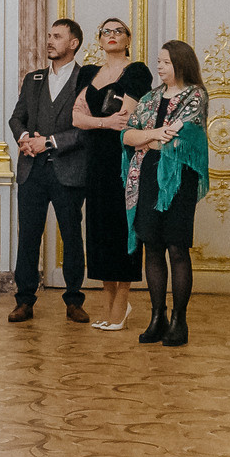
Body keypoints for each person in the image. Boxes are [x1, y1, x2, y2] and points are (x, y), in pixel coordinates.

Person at [121, 40, 209, 345]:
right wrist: (152, 136)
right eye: (158, 62)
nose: (159, 67)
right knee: (153, 246)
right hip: (147, 177)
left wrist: (149, 138)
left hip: (178, 180)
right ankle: (157, 316)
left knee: (176, 248)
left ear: (181, 64)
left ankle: (178, 321)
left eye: (166, 62)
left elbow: (178, 137)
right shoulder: (150, 97)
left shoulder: (196, 95)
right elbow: (127, 134)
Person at [7, 18, 94, 324]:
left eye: (57, 36)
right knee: (28, 237)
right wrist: (25, 139)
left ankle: (73, 300)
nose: (50, 41)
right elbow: (17, 118)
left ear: (73, 43)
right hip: (32, 170)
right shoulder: (32, 79)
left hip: (69, 171)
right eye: (49, 36)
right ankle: (24, 300)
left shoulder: (87, 80)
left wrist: (51, 142)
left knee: (71, 237)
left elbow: (87, 131)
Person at [72, 18, 154, 330]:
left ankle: (122, 299)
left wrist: (96, 120)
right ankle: (108, 303)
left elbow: (127, 117)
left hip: (123, 159)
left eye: (118, 31)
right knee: (99, 230)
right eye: (105, 31)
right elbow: (76, 117)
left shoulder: (137, 71)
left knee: (122, 227)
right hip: (94, 160)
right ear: (99, 37)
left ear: (128, 38)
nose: (111, 35)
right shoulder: (89, 72)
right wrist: (102, 123)